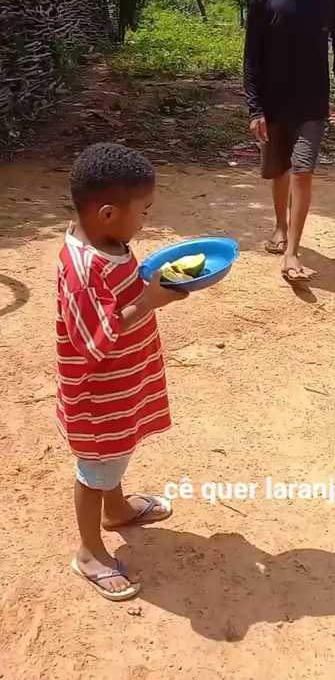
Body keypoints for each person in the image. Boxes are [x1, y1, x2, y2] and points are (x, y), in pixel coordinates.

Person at [56, 142, 187, 601]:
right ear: (108, 213)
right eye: (144, 211)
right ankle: (90, 551)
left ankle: (116, 509)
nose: (146, 220)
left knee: (116, 451)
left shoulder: (108, 242)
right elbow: (95, 337)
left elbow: (122, 293)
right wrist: (150, 301)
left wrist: (151, 284)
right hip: (97, 396)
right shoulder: (83, 270)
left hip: (122, 384)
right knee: (95, 468)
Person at [243, 0, 335, 282]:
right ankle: (279, 225)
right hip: (273, 102)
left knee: (302, 171)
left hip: (312, 103)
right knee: (279, 171)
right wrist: (255, 108)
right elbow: (252, 57)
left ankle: (292, 252)